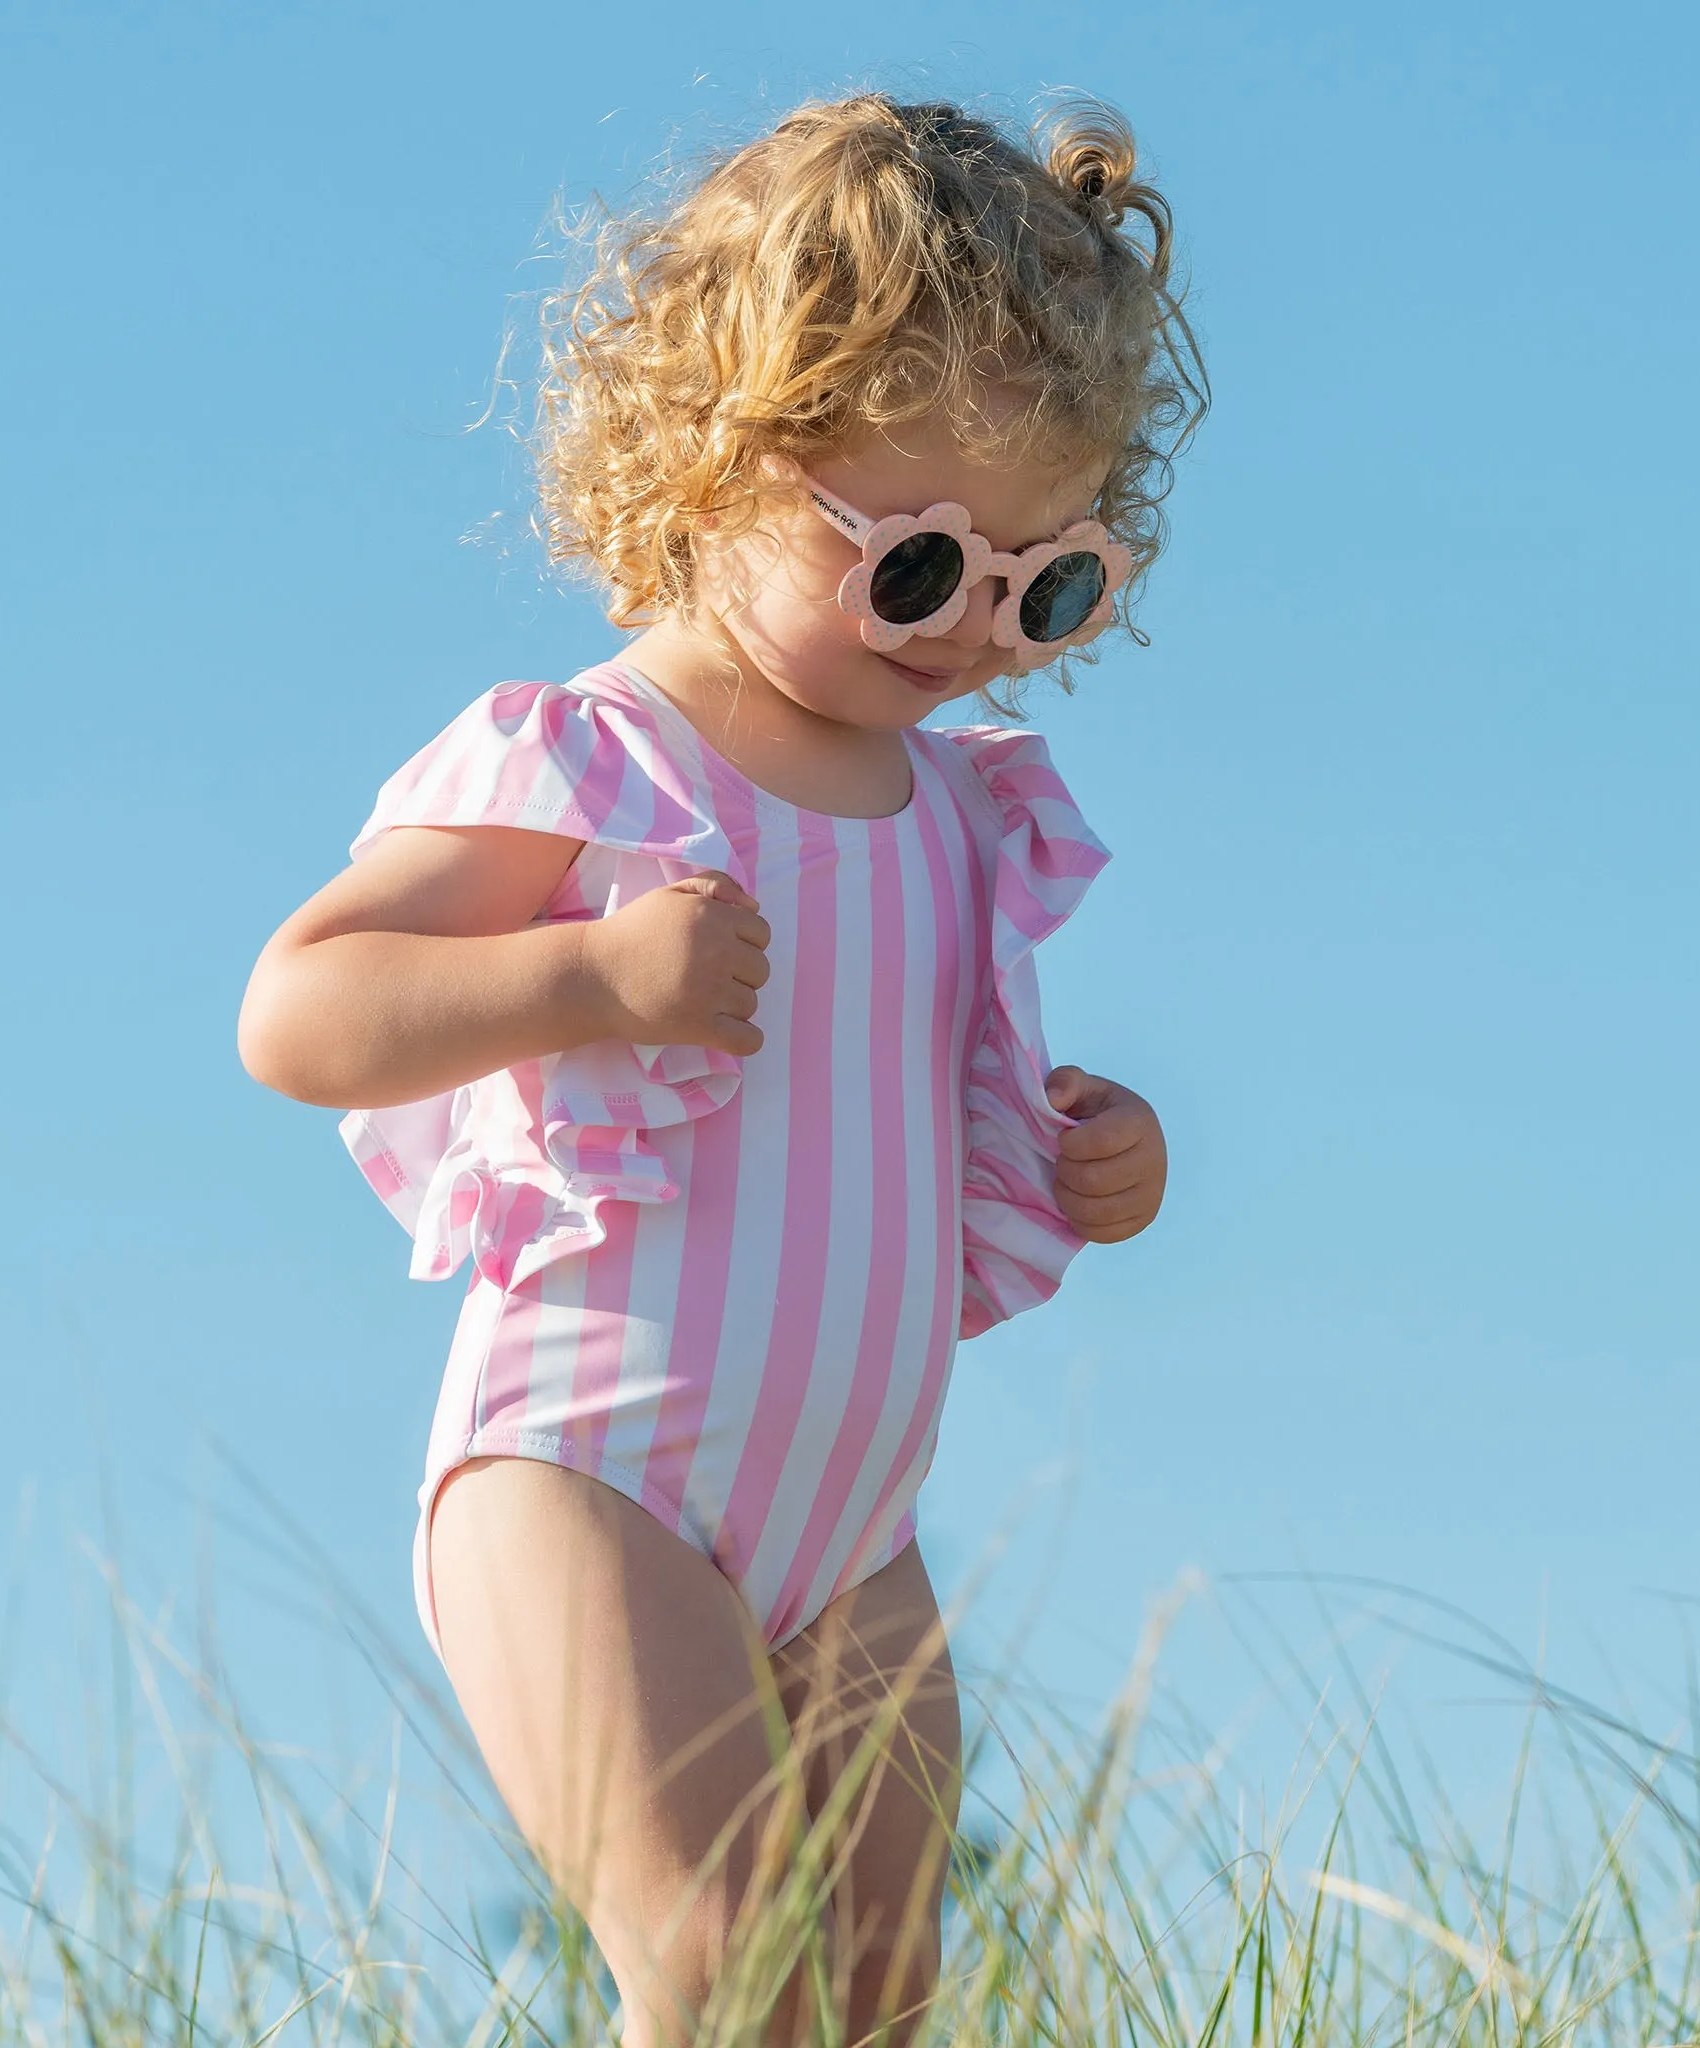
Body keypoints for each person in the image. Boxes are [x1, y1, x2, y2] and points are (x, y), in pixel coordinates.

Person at [239, 88, 1203, 2048]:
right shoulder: (598, 757)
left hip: (854, 1521)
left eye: (1050, 585)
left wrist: (1106, 1153)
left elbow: (914, 1110)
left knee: (867, 1993)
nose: (974, 633)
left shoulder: (958, 812)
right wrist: (588, 974)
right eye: (917, 568)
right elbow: (303, 1008)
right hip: (586, 1469)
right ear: (721, 456)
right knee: (712, 1960)